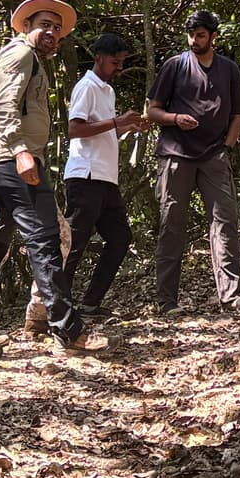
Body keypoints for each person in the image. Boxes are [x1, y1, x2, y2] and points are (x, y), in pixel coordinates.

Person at [0, 0, 106, 360]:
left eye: (57, 29)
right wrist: (21, 151)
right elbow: (3, 104)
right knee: (45, 240)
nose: (51, 32)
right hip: (12, 160)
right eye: (44, 25)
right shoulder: (20, 53)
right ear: (26, 27)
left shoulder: (26, 57)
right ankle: (69, 331)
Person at [146, 11, 240, 315]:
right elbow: (153, 110)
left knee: (225, 221)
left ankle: (230, 296)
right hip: (175, 154)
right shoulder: (174, 66)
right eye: (191, 34)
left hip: (214, 155)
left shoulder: (228, 69)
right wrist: (175, 118)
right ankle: (166, 301)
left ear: (213, 36)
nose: (194, 40)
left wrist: (227, 146)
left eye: (201, 35)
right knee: (171, 225)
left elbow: (238, 114)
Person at [61, 33, 146, 316]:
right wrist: (115, 121)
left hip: (106, 179)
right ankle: (57, 307)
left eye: (122, 62)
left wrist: (126, 127)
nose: (118, 68)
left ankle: (90, 303)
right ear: (98, 58)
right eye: (114, 62)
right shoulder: (86, 87)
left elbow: (103, 131)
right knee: (74, 243)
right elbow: (75, 129)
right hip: (85, 176)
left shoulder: (107, 91)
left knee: (120, 238)